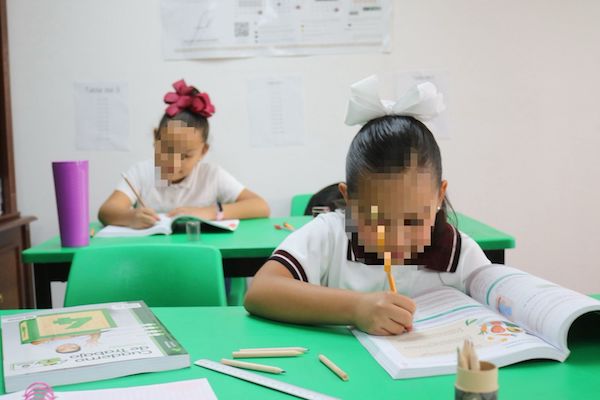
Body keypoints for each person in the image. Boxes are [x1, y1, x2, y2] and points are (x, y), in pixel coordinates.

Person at [244, 76, 490, 336]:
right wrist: (356, 308)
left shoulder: (460, 253)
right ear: (349, 200)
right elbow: (261, 291)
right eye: (377, 220)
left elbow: (506, 303)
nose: (396, 240)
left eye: (413, 221)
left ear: (440, 196)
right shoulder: (332, 234)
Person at [99, 79, 270, 228]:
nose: (174, 162)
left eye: (186, 156)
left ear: (203, 151)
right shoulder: (141, 172)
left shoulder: (211, 176)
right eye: (167, 150)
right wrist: (130, 217)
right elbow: (106, 212)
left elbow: (261, 206)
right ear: (156, 138)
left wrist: (209, 212)